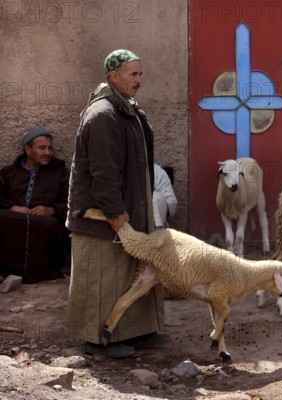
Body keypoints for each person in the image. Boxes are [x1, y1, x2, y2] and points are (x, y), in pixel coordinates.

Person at [66, 49, 165, 358]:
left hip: (131, 207)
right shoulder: (103, 115)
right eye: (133, 75)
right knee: (105, 277)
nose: (139, 80)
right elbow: (103, 172)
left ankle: (137, 330)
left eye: (140, 74)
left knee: (132, 272)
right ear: (113, 77)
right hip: (103, 217)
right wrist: (115, 211)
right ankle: (99, 338)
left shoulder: (126, 109)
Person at [0, 127, 69, 283]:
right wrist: (14, 208)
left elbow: (72, 201)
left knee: (48, 225)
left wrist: (51, 210)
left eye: (49, 148)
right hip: (14, 220)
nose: (48, 153)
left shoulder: (60, 173)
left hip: (46, 224)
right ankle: (6, 270)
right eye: (42, 148)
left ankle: (41, 271)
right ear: (28, 149)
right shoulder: (8, 172)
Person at [153, 163, 177, 229]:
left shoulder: (155, 169)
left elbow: (171, 203)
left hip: (152, 210)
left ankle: (157, 233)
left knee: (155, 197)